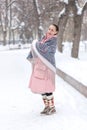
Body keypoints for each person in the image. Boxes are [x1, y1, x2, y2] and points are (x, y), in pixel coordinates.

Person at [27, 24, 59, 115]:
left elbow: (48, 51)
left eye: (52, 30)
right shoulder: (43, 38)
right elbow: (37, 49)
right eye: (49, 29)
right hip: (40, 67)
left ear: (56, 32)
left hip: (48, 67)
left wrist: (36, 44)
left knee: (48, 87)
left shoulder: (53, 41)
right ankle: (46, 106)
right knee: (41, 88)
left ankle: (52, 107)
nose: (50, 31)